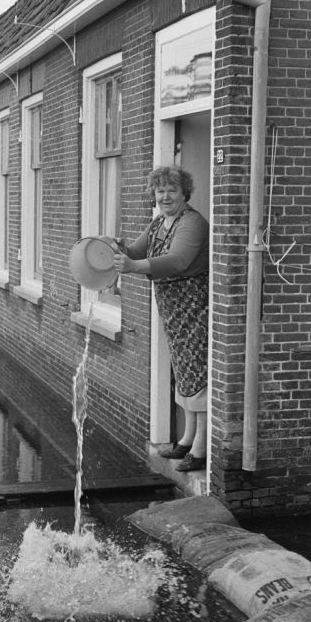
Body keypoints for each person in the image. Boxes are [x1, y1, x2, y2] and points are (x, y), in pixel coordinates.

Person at [113, 165, 209, 472]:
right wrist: (114, 247)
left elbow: (178, 261)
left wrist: (132, 265)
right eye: (159, 191)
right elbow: (135, 250)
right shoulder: (159, 223)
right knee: (184, 370)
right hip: (172, 311)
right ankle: (186, 438)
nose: (165, 196)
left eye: (171, 190)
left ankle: (201, 446)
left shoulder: (192, 222)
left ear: (184, 193)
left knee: (199, 371)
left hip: (196, 309)